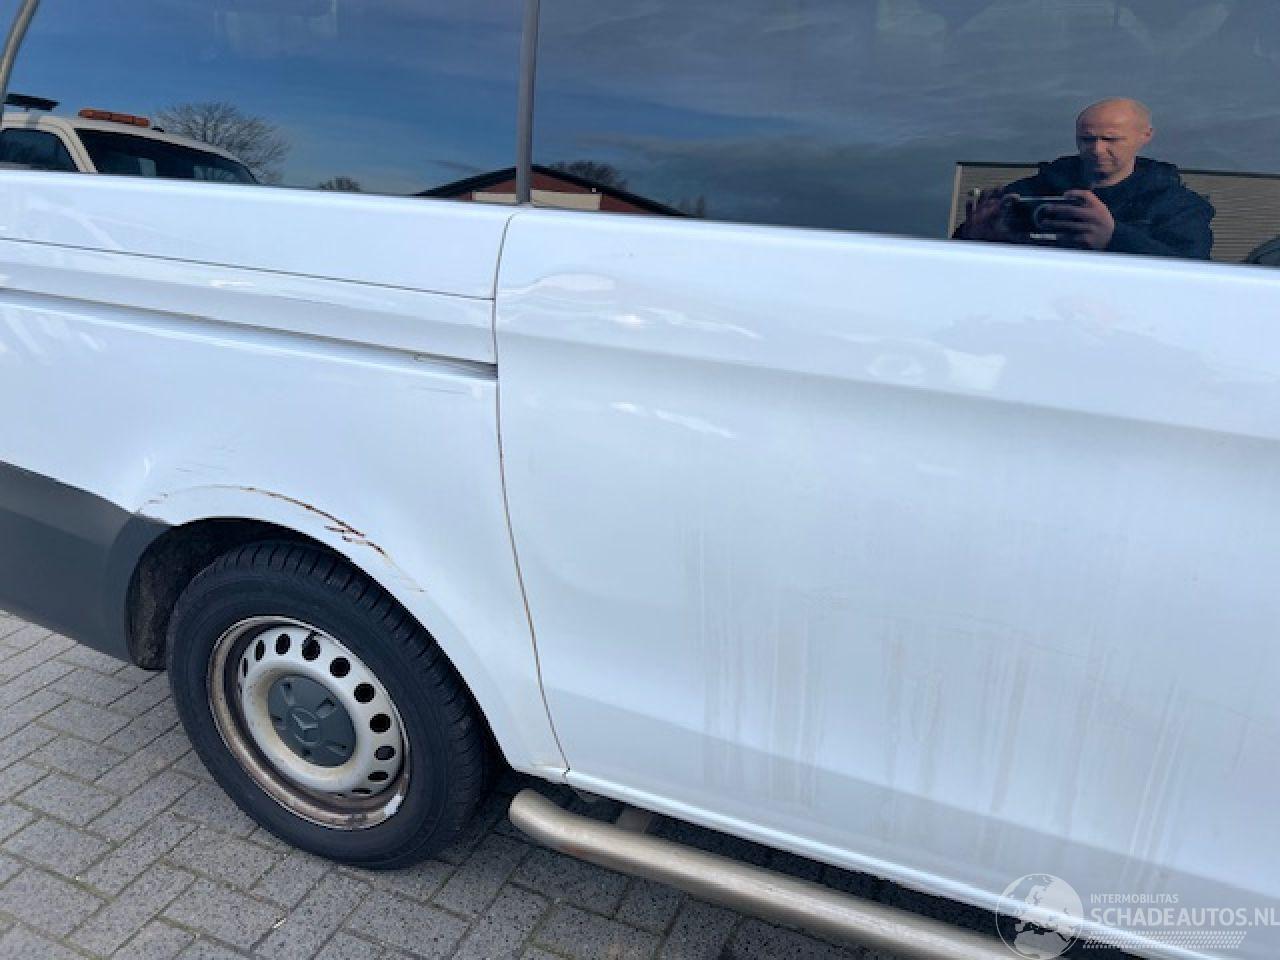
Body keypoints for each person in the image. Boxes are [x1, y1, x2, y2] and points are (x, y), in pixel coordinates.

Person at [956, 98, 1214, 259]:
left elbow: (1193, 276)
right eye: (1087, 139)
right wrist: (973, 239)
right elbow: (961, 264)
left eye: (1111, 139)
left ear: (1145, 136)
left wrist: (1114, 238)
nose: (1097, 149)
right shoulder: (1030, 193)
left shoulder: (1178, 206)